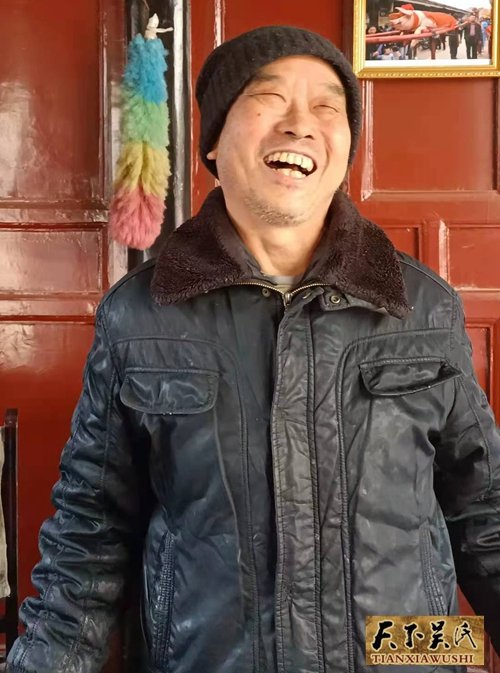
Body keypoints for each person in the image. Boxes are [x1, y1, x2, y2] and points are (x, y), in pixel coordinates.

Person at [7, 24, 500, 673]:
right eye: (270, 98)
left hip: (404, 656)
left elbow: (485, 514)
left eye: (326, 106)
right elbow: (88, 536)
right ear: (214, 139)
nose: (301, 124)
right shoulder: (140, 316)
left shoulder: (423, 307)